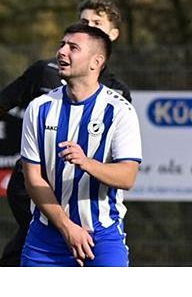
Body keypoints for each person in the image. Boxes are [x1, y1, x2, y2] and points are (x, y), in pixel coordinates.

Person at [0, 0, 132, 266]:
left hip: (82, 198)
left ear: (111, 36)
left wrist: (88, 166)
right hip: (32, 187)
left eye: (97, 23)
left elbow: (124, 169)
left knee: (81, 247)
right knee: (44, 234)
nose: (88, 26)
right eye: (84, 21)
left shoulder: (119, 97)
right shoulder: (46, 74)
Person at [19, 23, 141, 267]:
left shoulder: (119, 111)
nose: (62, 52)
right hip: (47, 235)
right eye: (62, 45)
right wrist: (67, 228)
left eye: (73, 47)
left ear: (96, 62)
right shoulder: (39, 108)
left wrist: (87, 163)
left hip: (102, 236)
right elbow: (33, 179)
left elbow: (127, 177)